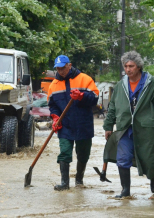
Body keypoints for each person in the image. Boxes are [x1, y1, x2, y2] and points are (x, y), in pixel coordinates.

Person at [102, 51, 154, 198]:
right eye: (126, 66)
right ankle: (125, 191)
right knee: (123, 158)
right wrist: (108, 126)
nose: (128, 69)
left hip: (147, 129)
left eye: (131, 66)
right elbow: (113, 107)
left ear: (139, 66)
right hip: (124, 128)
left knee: (149, 157)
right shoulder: (120, 85)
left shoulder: (151, 84)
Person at [47, 55, 99, 190]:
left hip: (83, 124)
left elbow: (94, 98)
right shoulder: (54, 85)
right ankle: (64, 183)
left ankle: (79, 180)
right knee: (64, 152)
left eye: (63, 68)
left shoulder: (85, 79)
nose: (61, 71)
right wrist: (55, 117)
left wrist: (82, 96)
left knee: (83, 154)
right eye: (58, 69)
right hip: (65, 125)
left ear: (69, 65)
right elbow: (52, 105)